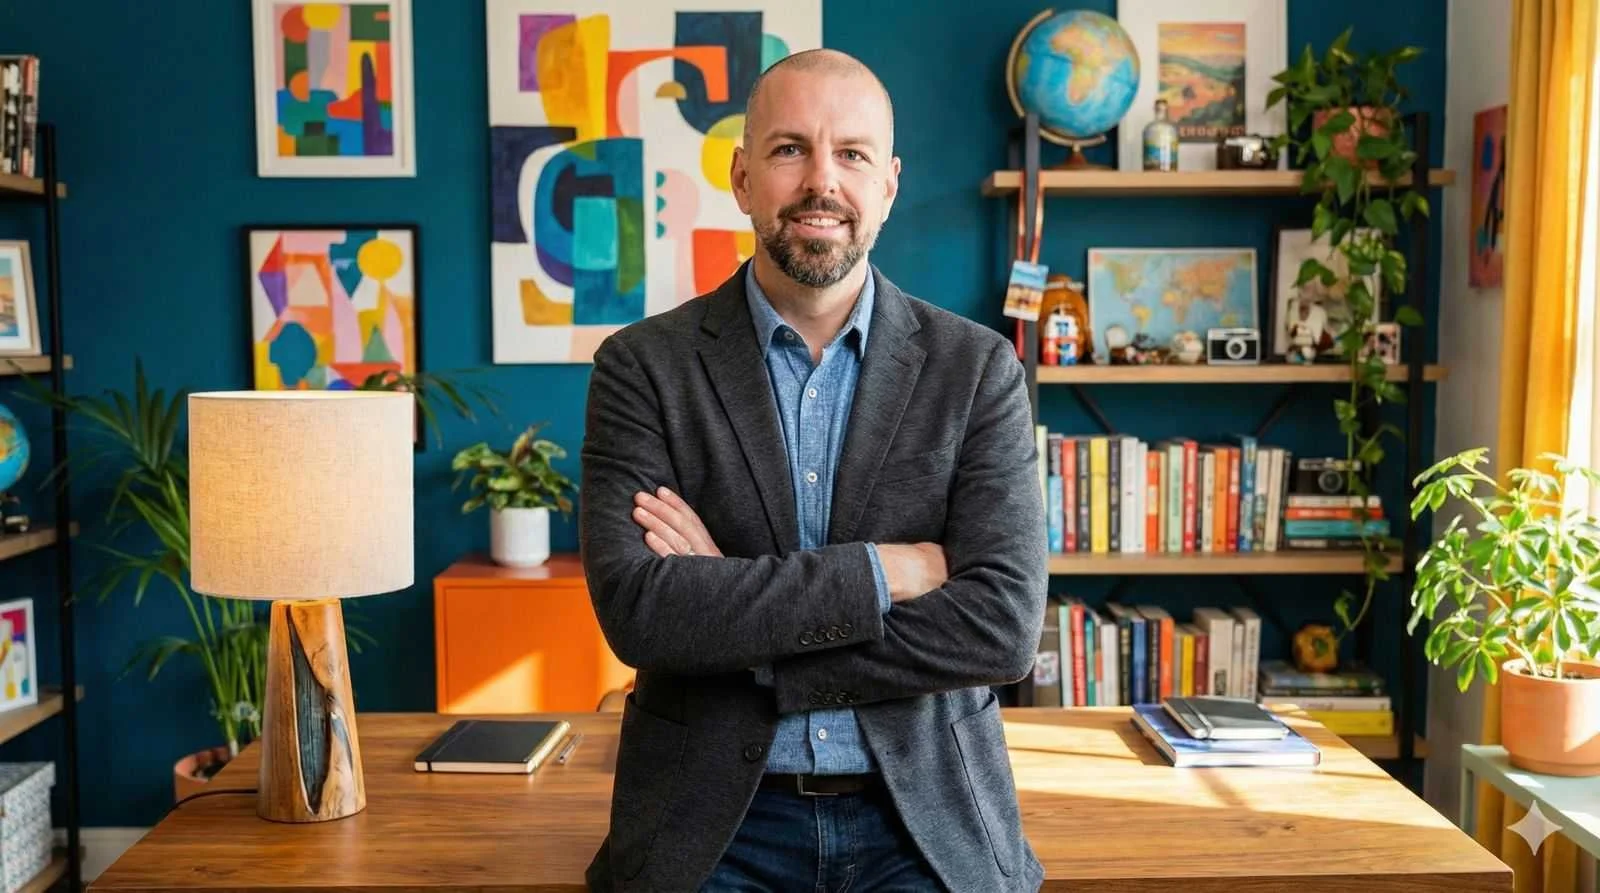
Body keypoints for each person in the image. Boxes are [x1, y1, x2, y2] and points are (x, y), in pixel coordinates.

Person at [579, 47, 1048, 893]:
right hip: (711, 821)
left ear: (889, 184)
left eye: (852, 154)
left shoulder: (977, 369)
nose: (821, 181)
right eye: (790, 148)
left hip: (924, 820)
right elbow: (642, 614)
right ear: (742, 175)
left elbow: (1003, 625)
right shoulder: (642, 367)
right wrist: (887, 571)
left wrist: (735, 609)